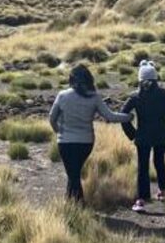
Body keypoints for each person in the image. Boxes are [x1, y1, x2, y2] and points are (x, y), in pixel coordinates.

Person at [48, 64, 130, 204]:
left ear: (72, 79)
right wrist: (128, 117)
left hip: (65, 142)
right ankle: (71, 204)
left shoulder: (62, 95)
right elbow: (110, 116)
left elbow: (52, 118)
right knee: (74, 173)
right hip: (86, 143)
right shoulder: (94, 98)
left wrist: (58, 132)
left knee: (73, 174)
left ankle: (78, 205)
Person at [121, 60, 165, 214]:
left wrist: (132, 133)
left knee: (143, 166)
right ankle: (163, 190)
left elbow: (123, 115)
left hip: (143, 137)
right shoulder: (163, 94)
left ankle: (141, 199)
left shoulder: (135, 96)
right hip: (161, 135)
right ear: (156, 78)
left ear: (140, 79)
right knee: (159, 161)